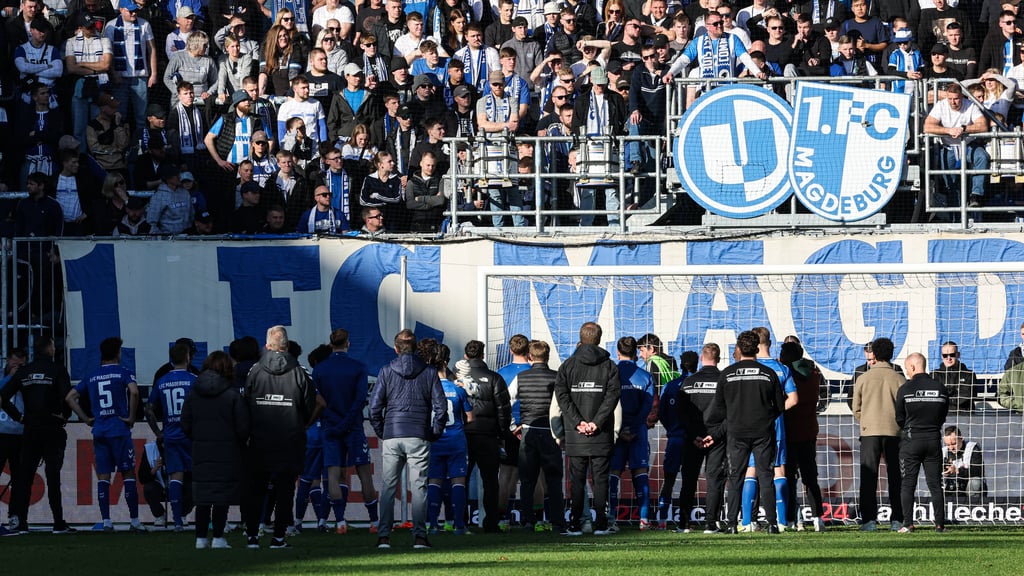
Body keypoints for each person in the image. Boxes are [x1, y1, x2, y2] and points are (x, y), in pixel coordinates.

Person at [368, 328, 447, 550]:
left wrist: (383, 431)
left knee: (388, 487)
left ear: (395, 348)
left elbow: (374, 408)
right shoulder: (429, 372)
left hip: (393, 433)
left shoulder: (386, 371)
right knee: (420, 487)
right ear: (415, 348)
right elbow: (441, 409)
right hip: (418, 434)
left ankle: (383, 537)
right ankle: (420, 537)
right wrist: (434, 432)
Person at [243, 325, 319, 549]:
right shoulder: (300, 371)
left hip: (260, 438)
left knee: (256, 489)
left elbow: (246, 402)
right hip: (290, 438)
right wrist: (299, 422)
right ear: (286, 345)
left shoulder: (255, 370)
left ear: (267, 345)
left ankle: (252, 536)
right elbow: (309, 405)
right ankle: (278, 537)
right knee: (285, 489)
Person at [705, 330, 785, 534]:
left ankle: (732, 523)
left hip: (737, 432)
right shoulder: (769, 374)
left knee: (735, 477)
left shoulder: (728, 374)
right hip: (762, 432)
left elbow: (718, 409)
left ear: (739, 349)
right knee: (766, 476)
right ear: (757, 348)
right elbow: (780, 406)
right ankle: (772, 524)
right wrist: (765, 417)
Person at [66, 336, 146, 532]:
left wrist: (85, 418)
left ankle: (107, 521)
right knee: (127, 473)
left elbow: (70, 397)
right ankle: (134, 521)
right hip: (119, 429)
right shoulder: (124, 372)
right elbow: (134, 392)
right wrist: (131, 417)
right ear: (118, 353)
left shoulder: (91, 376)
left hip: (100, 430)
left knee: (103, 476)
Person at [554, 322, 621, 536]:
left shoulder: (568, 365)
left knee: (577, 480)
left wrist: (578, 422)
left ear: (581, 338)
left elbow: (561, 397)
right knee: (601, 480)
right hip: (599, 433)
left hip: (577, 434)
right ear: (599, 339)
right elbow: (612, 398)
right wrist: (596, 422)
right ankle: (601, 523)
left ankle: (576, 524)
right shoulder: (609, 366)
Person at [0, 337, 73, 534]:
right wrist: (65, 415)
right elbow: (67, 396)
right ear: (50, 349)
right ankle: (57, 523)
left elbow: (3, 397)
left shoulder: (25, 372)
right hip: (47, 427)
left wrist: (20, 418)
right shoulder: (56, 369)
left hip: (28, 430)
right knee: (51, 476)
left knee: (24, 478)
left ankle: (20, 522)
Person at [312, 328, 380, 535]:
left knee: (333, 474)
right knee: (364, 474)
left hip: (330, 427)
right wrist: (348, 421)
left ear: (331, 344)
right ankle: (374, 522)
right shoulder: (358, 367)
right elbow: (360, 399)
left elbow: (319, 400)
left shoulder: (320, 369)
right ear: (348, 344)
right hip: (352, 426)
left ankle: (340, 521)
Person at [181, 351, 250, 549]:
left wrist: (199, 438)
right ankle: (219, 537)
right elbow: (243, 427)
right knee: (221, 496)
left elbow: (185, 423)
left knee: (202, 496)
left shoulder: (194, 393)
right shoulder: (232, 394)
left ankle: (200, 538)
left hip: (201, 450)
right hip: (227, 451)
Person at [741, 326, 798, 531]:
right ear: (770, 343)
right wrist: (774, 412)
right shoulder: (781, 368)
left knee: (751, 469)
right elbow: (793, 399)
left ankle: (747, 522)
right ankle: (782, 522)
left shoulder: (745, 367)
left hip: (750, 425)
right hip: (775, 425)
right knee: (778, 469)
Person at [670, 343, 727, 533]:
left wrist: (693, 434)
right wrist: (715, 435)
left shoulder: (688, 382)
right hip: (716, 437)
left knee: (689, 479)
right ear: (718, 359)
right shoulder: (724, 381)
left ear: (702, 358)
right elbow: (732, 412)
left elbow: (680, 412)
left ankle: (684, 523)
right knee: (714, 479)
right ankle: (711, 523)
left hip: (692, 437)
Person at [508, 339, 564, 532]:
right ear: (547, 357)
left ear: (530, 356)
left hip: (528, 432)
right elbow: (564, 406)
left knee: (527, 480)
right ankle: (557, 522)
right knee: (554, 480)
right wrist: (561, 432)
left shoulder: (521, 377)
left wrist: (512, 426)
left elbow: (506, 401)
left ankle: (527, 521)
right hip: (550, 433)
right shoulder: (557, 377)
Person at [419, 339, 473, 535]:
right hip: (456, 440)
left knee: (434, 481)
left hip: (434, 440)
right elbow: (470, 417)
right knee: (458, 481)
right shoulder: (457, 388)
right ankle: (459, 525)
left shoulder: (427, 389)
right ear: (446, 362)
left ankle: (432, 524)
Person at [852, 336, 905, 531]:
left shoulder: (863, 378)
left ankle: (868, 520)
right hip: (894, 433)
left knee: (868, 477)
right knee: (895, 477)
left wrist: (866, 421)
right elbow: (904, 408)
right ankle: (897, 519)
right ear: (892, 354)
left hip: (869, 433)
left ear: (873, 354)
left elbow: (856, 407)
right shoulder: (899, 379)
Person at [144, 340, 197, 531]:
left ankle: (176, 522)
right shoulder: (193, 380)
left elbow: (149, 409)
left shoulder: (162, 381)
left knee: (176, 477)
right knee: (201, 475)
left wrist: (158, 432)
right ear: (188, 357)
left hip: (171, 435)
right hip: (191, 435)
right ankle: (209, 519)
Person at [461, 339, 512, 533]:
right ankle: (491, 523)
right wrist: (502, 434)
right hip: (488, 435)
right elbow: (503, 409)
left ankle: (461, 521)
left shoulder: (457, 378)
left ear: (466, 356)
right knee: (491, 480)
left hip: (464, 435)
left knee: (460, 480)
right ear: (483, 355)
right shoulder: (494, 378)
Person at [895, 353, 949, 533]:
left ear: (911, 367)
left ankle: (908, 524)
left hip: (912, 440)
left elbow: (899, 418)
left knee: (908, 483)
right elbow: (943, 416)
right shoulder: (940, 388)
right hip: (933, 439)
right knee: (935, 484)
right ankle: (940, 524)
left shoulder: (905, 389)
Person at [607, 337, 654, 531]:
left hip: (615, 432)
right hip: (638, 432)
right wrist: (634, 428)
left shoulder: (611, 374)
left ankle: (611, 520)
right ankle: (643, 520)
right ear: (635, 352)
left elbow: (607, 404)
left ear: (617, 353)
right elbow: (647, 407)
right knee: (640, 472)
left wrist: (620, 429)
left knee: (613, 473)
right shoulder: (644, 376)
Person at [780, 341, 827, 532]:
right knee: (810, 477)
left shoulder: (787, 375)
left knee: (789, 477)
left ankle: (792, 518)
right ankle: (818, 518)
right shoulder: (814, 373)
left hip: (790, 432)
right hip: (808, 431)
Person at [923, 82, 990, 209]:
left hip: (969, 144)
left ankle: (976, 194)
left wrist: (963, 129)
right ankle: (956, 215)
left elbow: (983, 125)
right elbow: (927, 126)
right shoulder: (941, 105)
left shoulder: (970, 105)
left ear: (962, 97)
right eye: (950, 99)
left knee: (982, 157)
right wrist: (948, 130)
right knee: (950, 181)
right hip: (949, 147)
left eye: (956, 99)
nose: (953, 102)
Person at [942, 426, 987, 503]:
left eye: (954, 444)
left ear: (961, 438)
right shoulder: (943, 452)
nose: (951, 448)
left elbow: (978, 470)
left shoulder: (973, 448)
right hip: (950, 486)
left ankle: (975, 508)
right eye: (948, 445)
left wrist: (957, 470)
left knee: (975, 482)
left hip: (968, 487)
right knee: (932, 489)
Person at [931, 341, 979, 412]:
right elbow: (933, 397)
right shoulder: (935, 375)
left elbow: (966, 397)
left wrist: (944, 395)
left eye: (952, 355)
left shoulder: (968, 374)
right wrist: (955, 392)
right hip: (941, 416)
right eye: (945, 355)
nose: (948, 358)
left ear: (958, 355)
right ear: (942, 356)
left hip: (965, 415)